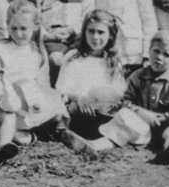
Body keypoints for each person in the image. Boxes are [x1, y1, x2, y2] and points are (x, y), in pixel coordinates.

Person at [63, 30, 169, 166]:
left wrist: (162, 118)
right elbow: (126, 101)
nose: (159, 57)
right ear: (149, 50)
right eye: (156, 51)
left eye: (166, 55)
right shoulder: (138, 76)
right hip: (142, 125)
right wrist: (143, 113)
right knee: (122, 124)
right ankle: (94, 145)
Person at [0, 0, 64, 144]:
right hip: (3, 100)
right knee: (16, 92)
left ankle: (20, 134)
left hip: (28, 103)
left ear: (35, 26)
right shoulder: (1, 48)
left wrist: (36, 98)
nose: (18, 33)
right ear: (7, 25)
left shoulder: (37, 52)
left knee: (54, 99)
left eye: (23, 28)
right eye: (13, 28)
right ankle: (15, 134)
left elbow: (43, 83)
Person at [55, 10, 128, 141]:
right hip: (79, 107)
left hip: (103, 110)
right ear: (84, 32)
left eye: (101, 32)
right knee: (71, 110)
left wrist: (111, 101)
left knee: (125, 114)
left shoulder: (112, 60)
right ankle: (71, 133)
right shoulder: (73, 57)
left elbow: (119, 89)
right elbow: (62, 88)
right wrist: (80, 98)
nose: (95, 37)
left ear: (110, 35)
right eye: (91, 31)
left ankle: (99, 138)